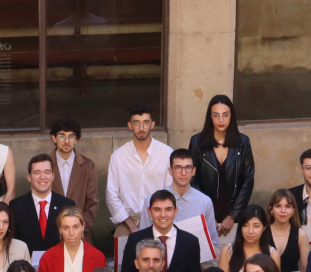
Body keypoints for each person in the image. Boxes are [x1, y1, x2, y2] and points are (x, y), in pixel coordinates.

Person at [119, 190, 203, 272]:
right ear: (149, 212)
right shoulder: (135, 240)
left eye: (168, 209)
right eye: (157, 209)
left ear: (175, 211)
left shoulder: (190, 242)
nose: (163, 215)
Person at [189, 95, 254, 242]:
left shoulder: (242, 142)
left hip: (233, 213)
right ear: (210, 117)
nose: (221, 120)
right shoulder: (197, 142)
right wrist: (206, 212)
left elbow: (248, 180)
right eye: (216, 115)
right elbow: (192, 179)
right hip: (205, 212)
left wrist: (232, 216)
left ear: (231, 116)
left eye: (225, 115)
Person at [106, 105, 174, 239]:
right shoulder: (118, 156)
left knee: (161, 258)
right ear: (130, 125)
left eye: (146, 123)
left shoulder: (166, 154)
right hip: (127, 220)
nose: (141, 128)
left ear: (152, 125)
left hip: (159, 218)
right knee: (123, 258)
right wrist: (131, 226)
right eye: (136, 123)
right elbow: (111, 195)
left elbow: (170, 192)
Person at [9, 154, 74, 255]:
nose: (42, 177)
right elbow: (13, 244)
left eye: (47, 172)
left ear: (53, 176)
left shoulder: (67, 205)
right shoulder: (16, 206)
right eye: (37, 172)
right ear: (29, 177)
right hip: (26, 266)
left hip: (60, 266)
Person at [50, 117, 100, 230]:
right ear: (54, 138)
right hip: (51, 235)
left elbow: (92, 204)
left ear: (76, 140)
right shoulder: (45, 165)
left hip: (80, 234)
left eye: (71, 136)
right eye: (61, 136)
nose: (66, 141)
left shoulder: (88, 166)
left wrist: (79, 229)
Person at [164, 147, 218, 246]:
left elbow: (212, 242)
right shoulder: (153, 201)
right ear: (170, 171)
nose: (183, 173)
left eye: (188, 167)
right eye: (178, 167)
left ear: (193, 171)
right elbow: (144, 239)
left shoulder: (205, 202)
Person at [219, 206, 273, 272]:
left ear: (264, 227)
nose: (250, 231)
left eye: (256, 226)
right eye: (245, 225)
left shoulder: (272, 253)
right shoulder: (228, 251)